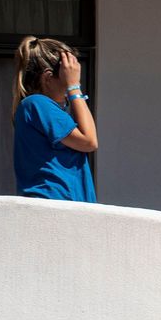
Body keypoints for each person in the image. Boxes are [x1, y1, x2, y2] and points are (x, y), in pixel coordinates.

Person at [12, 36, 98, 202]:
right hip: (55, 202)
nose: (72, 81)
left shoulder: (45, 108)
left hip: (65, 205)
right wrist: (74, 88)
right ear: (48, 77)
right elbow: (89, 141)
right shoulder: (37, 103)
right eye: (67, 76)